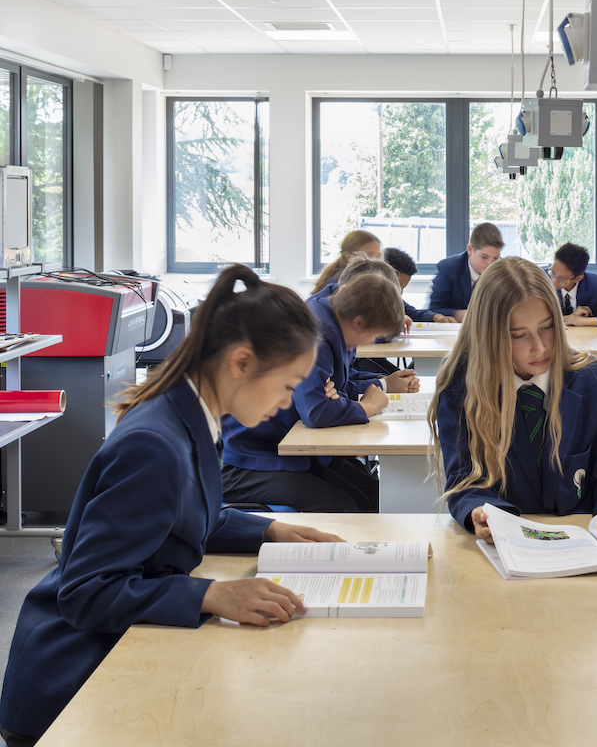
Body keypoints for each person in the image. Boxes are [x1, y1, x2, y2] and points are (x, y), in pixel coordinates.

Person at [0, 265, 344, 747]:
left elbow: (179, 512)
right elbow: (85, 592)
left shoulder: (191, 413)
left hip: (112, 658)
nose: (289, 403)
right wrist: (209, 595)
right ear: (241, 362)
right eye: (288, 385)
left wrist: (269, 531)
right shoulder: (154, 444)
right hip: (71, 687)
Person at [429, 256, 597, 543]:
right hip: (506, 548)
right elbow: (465, 478)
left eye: (547, 327)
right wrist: (481, 512)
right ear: (488, 336)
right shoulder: (460, 387)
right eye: (519, 335)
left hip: (586, 548)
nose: (540, 347)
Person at [222, 270, 414, 512]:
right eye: (373, 335)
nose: (371, 343)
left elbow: (337, 389)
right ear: (358, 322)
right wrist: (366, 407)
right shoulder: (319, 333)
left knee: (372, 495)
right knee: (345, 507)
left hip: (289, 447)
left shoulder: (335, 317)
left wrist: (370, 387)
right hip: (252, 457)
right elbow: (316, 411)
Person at [428, 222, 503, 322]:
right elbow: (433, 310)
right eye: (484, 257)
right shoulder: (449, 269)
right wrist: (456, 314)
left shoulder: (502, 271)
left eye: (496, 258)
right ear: (470, 250)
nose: (490, 264)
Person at [383, 246, 452, 324]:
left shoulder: (394, 300)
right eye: (398, 286)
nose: (401, 292)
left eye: (403, 287)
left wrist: (435, 316)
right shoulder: (370, 301)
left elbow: (414, 314)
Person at [310, 229, 382, 295]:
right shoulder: (341, 281)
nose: (375, 261)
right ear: (349, 256)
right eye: (369, 255)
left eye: (378, 256)